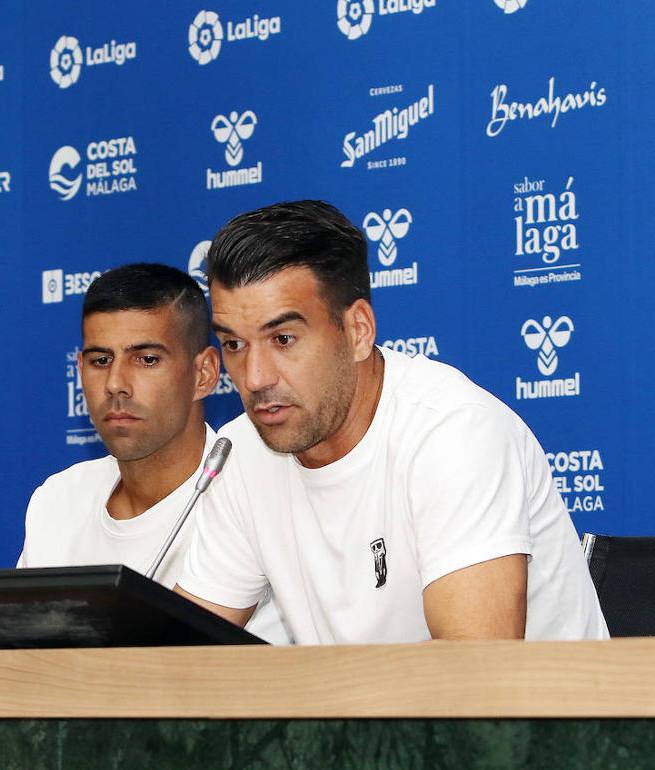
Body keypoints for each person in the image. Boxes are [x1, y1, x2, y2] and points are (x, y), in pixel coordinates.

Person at [174, 200, 607, 644]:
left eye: (283, 339)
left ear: (358, 330)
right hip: (365, 711)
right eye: (234, 344)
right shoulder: (240, 451)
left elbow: (477, 671)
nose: (255, 377)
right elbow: (178, 657)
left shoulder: (453, 432)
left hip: (553, 712)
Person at [18, 263, 289, 643]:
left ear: (205, 373)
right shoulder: (57, 500)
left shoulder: (258, 489)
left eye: (146, 359)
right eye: (100, 361)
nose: (115, 384)